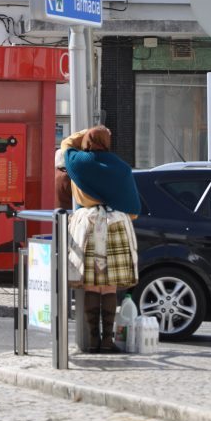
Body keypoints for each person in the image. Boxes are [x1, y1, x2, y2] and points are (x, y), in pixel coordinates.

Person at [61, 125, 141, 353]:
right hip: (116, 225)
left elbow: (66, 143)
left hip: (88, 225)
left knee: (91, 286)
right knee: (108, 286)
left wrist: (84, 133)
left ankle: (92, 340)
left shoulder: (77, 161)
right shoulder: (122, 168)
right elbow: (133, 209)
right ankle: (107, 340)